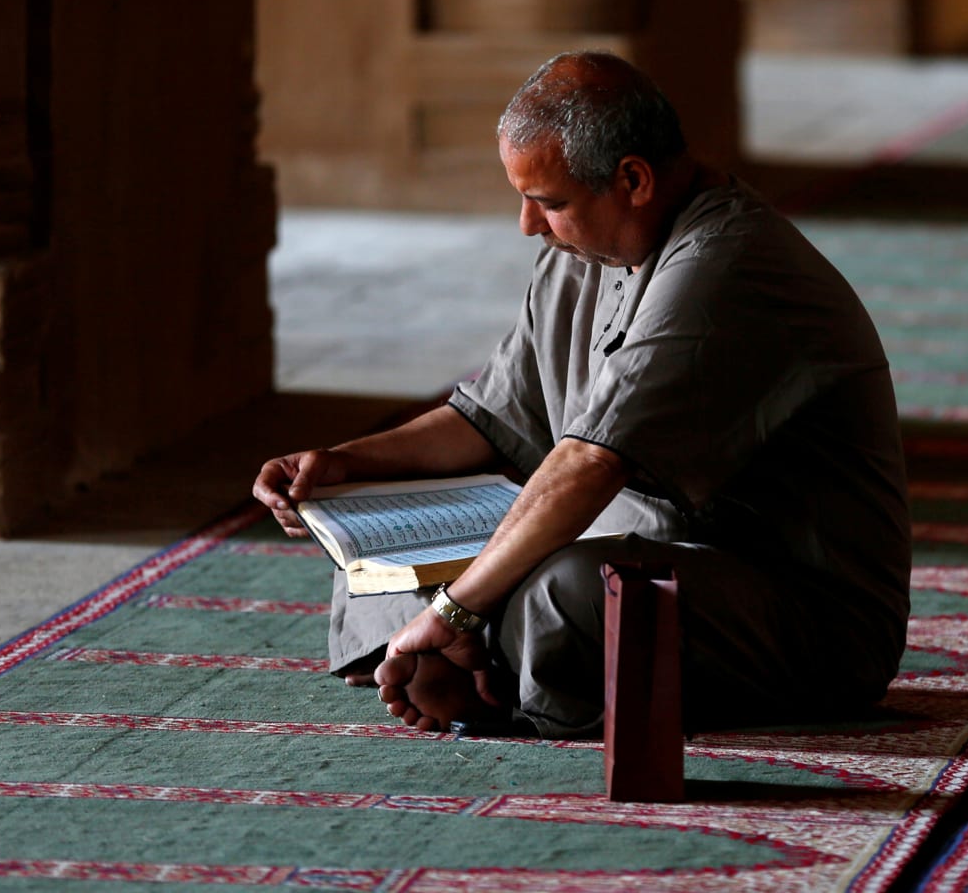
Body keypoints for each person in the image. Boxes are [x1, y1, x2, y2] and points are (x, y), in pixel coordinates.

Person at [252, 51, 909, 737]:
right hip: (629, 549)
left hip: (798, 611)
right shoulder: (583, 253)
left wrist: (455, 610)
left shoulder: (728, 266)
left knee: (569, 595)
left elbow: (591, 464)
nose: (528, 225)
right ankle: (465, 663)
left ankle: (463, 659)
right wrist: (345, 463)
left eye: (549, 203)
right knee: (387, 552)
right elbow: (488, 417)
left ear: (632, 179)